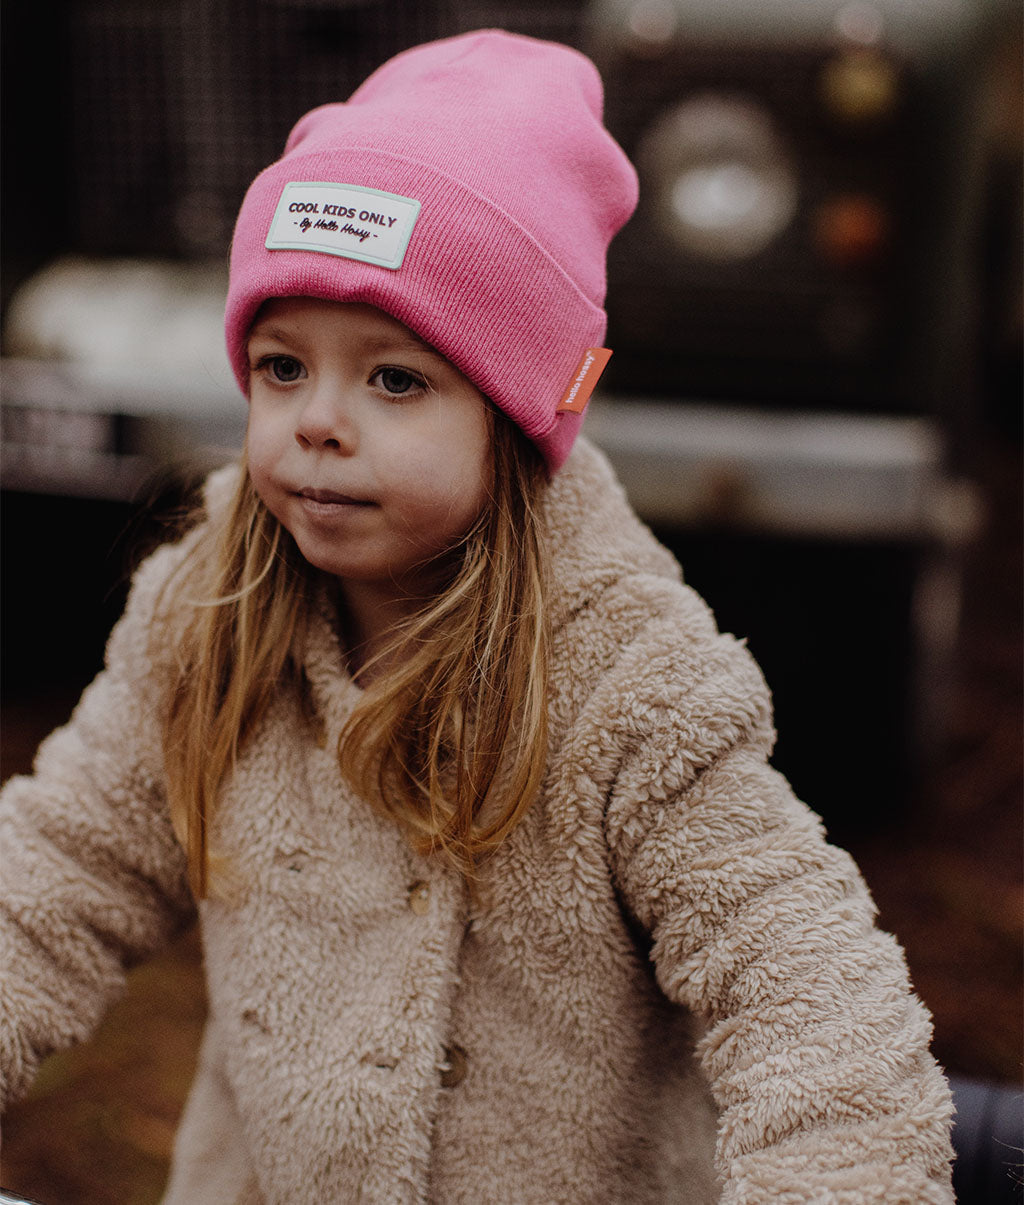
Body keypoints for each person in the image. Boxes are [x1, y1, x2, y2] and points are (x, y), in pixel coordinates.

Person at [0, 29, 954, 1204]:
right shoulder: (207, 618)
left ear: (521, 411)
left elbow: (809, 992)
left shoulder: (632, 685)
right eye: (282, 365)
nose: (317, 420)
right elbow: (55, 872)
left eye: (395, 379)